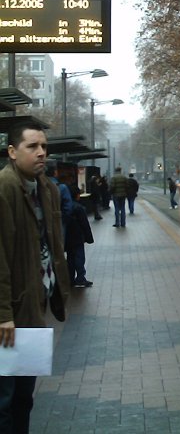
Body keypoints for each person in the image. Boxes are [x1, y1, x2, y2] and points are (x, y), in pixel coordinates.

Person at [0, 122, 70, 432]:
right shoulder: (4, 189)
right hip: (9, 316)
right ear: (12, 152)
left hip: (32, 307)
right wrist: (3, 314)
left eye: (44, 146)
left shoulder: (47, 188)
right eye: (32, 146)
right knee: (4, 397)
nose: (41, 152)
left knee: (24, 396)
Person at [64, 186, 94, 287]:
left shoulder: (64, 206)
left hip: (67, 238)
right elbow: (84, 224)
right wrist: (89, 238)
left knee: (70, 258)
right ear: (77, 195)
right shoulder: (78, 207)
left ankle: (70, 279)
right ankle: (81, 278)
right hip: (77, 237)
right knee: (79, 257)